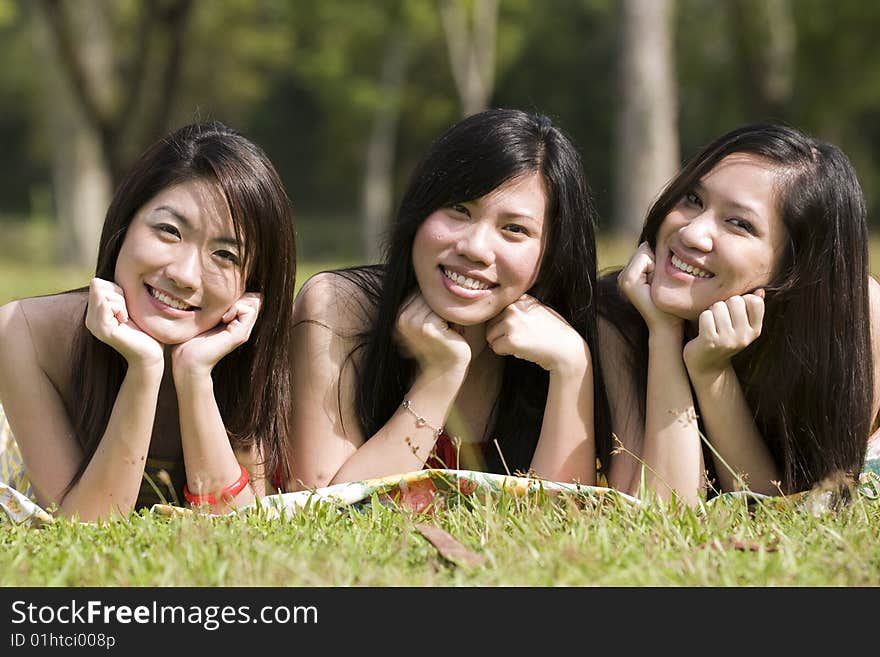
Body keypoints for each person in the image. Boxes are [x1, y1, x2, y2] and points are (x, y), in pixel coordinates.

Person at [289, 108, 611, 491]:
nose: (475, 248)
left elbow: (561, 525)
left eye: (514, 229)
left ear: (551, 255)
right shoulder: (340, 307)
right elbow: (321, 506)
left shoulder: (570, 339)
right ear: (419, 210)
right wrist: (439, 376)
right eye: (459, 209)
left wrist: (572, 367)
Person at [0, 121, 297, 520]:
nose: (185, 275)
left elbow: (239, 526)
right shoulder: (24, 332)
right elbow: (86, 525)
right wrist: (144, 370)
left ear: (251, 288)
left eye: (225, 255)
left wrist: (194, 376)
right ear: (124, 226)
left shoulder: (251, 353)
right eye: (169, 231)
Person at [598, 123, 880, 505]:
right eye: (693, 200)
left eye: (738, 223)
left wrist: (711, 373)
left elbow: (786, 507)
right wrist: (663, 333)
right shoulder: (617, 315)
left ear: (794, 266)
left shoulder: (854, 318)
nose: (693, 233)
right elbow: (667, 507)